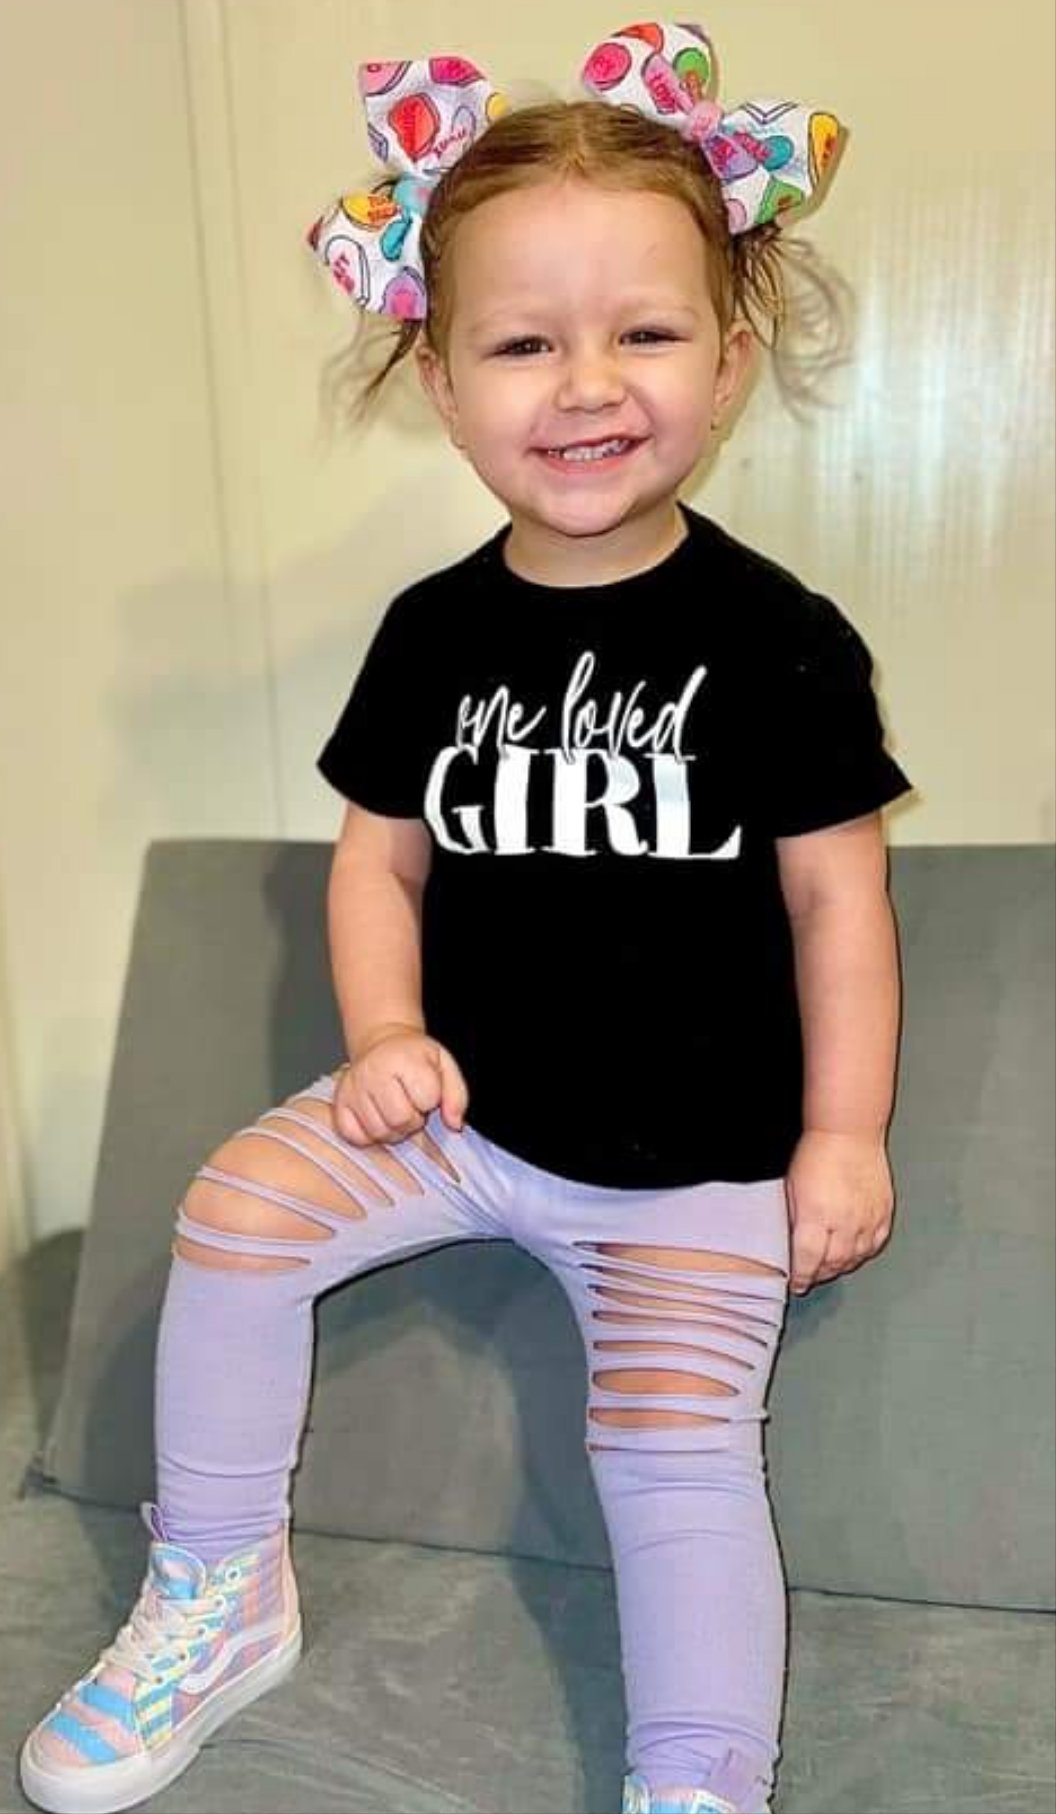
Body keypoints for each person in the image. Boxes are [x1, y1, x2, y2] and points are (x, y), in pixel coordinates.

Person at [20, 22, 913, 1814]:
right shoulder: (434, 631)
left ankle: (700, 1771)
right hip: (457, 1118)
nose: (585, 383)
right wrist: (381, 1036)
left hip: (695, 1169)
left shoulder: (783, 640)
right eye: (522, 342)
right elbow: (380, 863)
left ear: (730, 359)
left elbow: (839, 900)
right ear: (440, 380)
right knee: (233, 1213)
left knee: (675, 1456)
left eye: (644, 332)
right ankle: (222, 1589)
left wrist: (842, 1133)